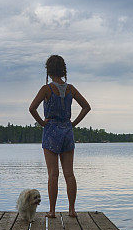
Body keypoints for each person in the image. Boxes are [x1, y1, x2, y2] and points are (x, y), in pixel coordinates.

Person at [29, 55, 91, 218]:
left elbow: (32, 108)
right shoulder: (70, 88)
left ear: (49, 71)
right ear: (63, 70)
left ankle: (52, 211)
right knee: (69, 173)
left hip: (51, 132)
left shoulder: (46, 89)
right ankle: (72, 210)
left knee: (53, 174)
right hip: (67, 131)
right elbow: (86, 107)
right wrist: (73, 124)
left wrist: (42, 123)